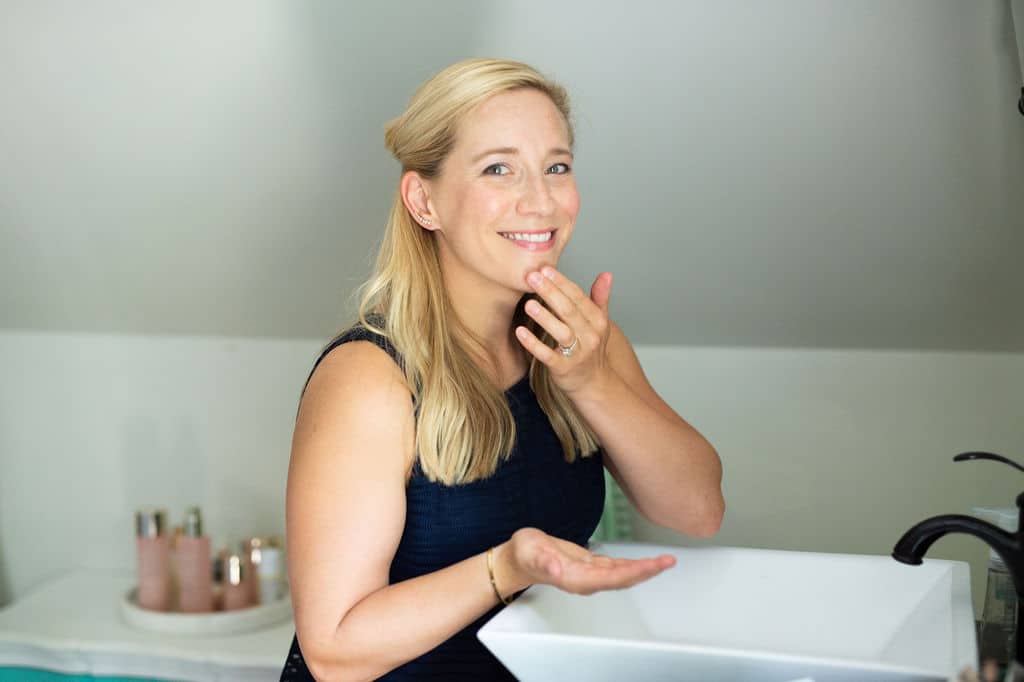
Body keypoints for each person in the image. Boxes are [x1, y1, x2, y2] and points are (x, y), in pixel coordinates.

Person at [280, 57, 724, 681]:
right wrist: (505, 568)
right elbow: (334, 651)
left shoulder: (580, 339)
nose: (541, 201)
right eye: (498, 169)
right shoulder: (370, 378)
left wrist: (592, 383)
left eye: (557, 167)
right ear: (424, 199)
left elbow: (697, 509)